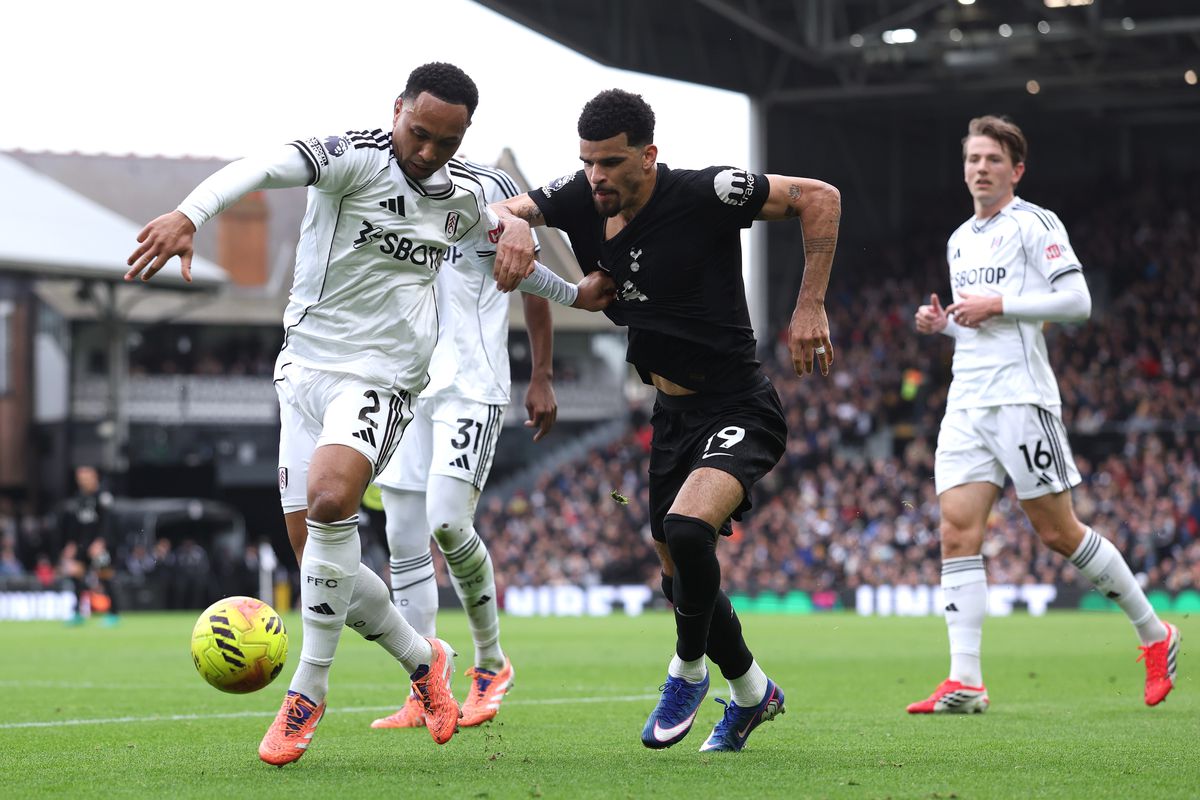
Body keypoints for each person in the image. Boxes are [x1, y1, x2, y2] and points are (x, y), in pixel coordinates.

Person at [126, 62, 612, 766]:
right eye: (419, 133)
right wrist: (189, 213)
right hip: (304, 374)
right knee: (321, 559)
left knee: (331, 502)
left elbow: (513, 266)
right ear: (397, 111)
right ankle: (425, 662)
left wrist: (578, 294)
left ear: (463, 137)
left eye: (446, 142)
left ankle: (308, 691)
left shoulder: (464, 200)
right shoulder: (350, 159)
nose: (428, 152)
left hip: (384, 378)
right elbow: (261, 168)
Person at [491, 89, 842, 752]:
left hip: (739, 404)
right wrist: (513, 225)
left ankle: (685, 669)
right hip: (670, 415)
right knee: (679, 571)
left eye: (611, 162)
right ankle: (751, 693)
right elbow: (506, 206)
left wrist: (811, 304)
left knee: (686, 529)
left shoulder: (706, 193)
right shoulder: (579, 196)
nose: (596, 176)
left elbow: (819, 196)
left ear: (648, 157)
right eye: (587, 161)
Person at [909, 115, 1179, 714]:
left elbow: (1078, 302)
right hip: (966, 401)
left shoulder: (1035, 224)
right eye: (973, 159)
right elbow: (974, 325)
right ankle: (966, 680)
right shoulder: (959, 239)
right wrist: (942, 324)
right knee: (956, 531)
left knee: (1058, 533)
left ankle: (1154, 633)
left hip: (1022, 399)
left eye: (993, 160)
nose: (981, 168)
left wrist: (999, 303)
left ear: (1016, 169)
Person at [371, 161, 553, 731]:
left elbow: (529, 278)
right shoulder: (381, 185)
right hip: (404, 382)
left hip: (471, 384)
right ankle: (425, 684)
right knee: (401, 536)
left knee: (448, 523)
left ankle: (491, 663)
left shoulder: (492, 189)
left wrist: (541, 374)